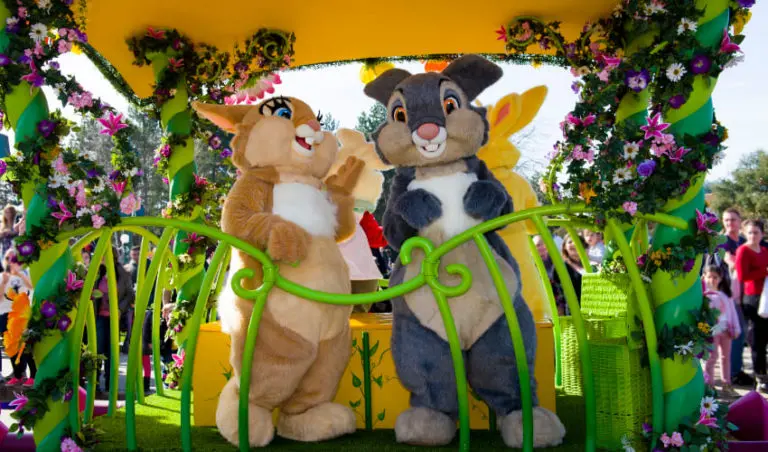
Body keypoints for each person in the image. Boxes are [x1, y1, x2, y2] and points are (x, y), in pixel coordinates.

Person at [711, 208, 753, 387]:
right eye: (726, 220)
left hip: (746, 293)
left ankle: (736, 370)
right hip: (727, 296)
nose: (730, 223)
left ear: (740, 220)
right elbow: (723, 264)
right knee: (734, 331)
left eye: (733, 220)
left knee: (743, 333)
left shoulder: (743, 241)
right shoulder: (721, 242)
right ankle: (733, 373)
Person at [92, 247, 134, 393]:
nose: (100, 257)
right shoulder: (96, 272)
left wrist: (119, 309)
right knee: (97, 351)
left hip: (115, 318)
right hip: (99, 317)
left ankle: (110, 385)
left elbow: (130, 295)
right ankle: (95, 384)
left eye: (103, 255)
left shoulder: (123, 274)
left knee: (111, 352)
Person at [734, 219, 768, 392]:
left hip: (766, 297)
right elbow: (743, 276)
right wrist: (764, 271)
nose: (753, 236)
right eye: (750, 232)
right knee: (757, 340)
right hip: (753, 299)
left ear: (762, 234)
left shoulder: (764, 250)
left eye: (756, 232)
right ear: (745, 233)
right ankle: (760, 377)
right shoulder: (743, 251)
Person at [702, 265, 741, 393]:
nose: (712, 280)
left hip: (726, 330)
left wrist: (736, 328)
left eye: (715, 277)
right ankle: (709, 385)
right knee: (711, 358)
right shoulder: (703, 296)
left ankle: (726, 384)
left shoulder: (726, 295)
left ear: (720, 278)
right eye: (709, 277)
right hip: (712, 332)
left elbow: (733, 313)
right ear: (704, 277)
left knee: (726, 357)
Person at [0, 248, 35, 386]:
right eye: (7, 259)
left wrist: (20, 274)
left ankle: (33, 375)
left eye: (13, 258)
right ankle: (17, 375)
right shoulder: (2, 276)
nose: (10, 261)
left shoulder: (26, 273)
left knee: (25, 345)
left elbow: (31, 288)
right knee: (10, 346)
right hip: (6, 315)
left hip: (22, 316)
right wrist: (4, 282)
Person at [554, 235, 587, 316]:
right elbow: (558, 292)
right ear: (564, 247)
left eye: (577, 241)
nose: (574, 244)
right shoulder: (560, 267)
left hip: (594, 309)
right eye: (570, 242)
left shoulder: (591, 263)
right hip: (574, 313)